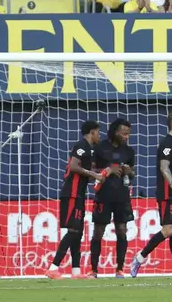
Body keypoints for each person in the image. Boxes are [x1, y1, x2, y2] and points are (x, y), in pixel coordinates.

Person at [131, 112, 172, 278]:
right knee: (168, 229)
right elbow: (163, 167)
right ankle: (139, 258)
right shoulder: (167, 144)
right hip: (168, 194)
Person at [45, 121, 103, 279]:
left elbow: (86, 172)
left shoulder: (89, 149)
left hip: (79, 194)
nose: (99, 135)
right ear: (91, 132)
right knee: (73, 230)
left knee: (78, 232)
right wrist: (95, 175)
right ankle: (53, 267)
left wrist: (102, 173)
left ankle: (76, 271)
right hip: (71, 193)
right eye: (98, 132)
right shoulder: (81, 145)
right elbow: (74, 167)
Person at [90, 118, 136, 278]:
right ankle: (93, 270)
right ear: (115, 132)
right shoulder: (100, 148)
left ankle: (120, 269)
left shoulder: (129, 151)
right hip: (103, 195)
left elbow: (133, 176)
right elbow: (91, 172)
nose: (126, 136)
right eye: (124, 133)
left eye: (128, 134)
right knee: (98, 232)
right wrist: (107, 170)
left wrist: (129, 172)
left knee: (122, 231)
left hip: (122, 196)